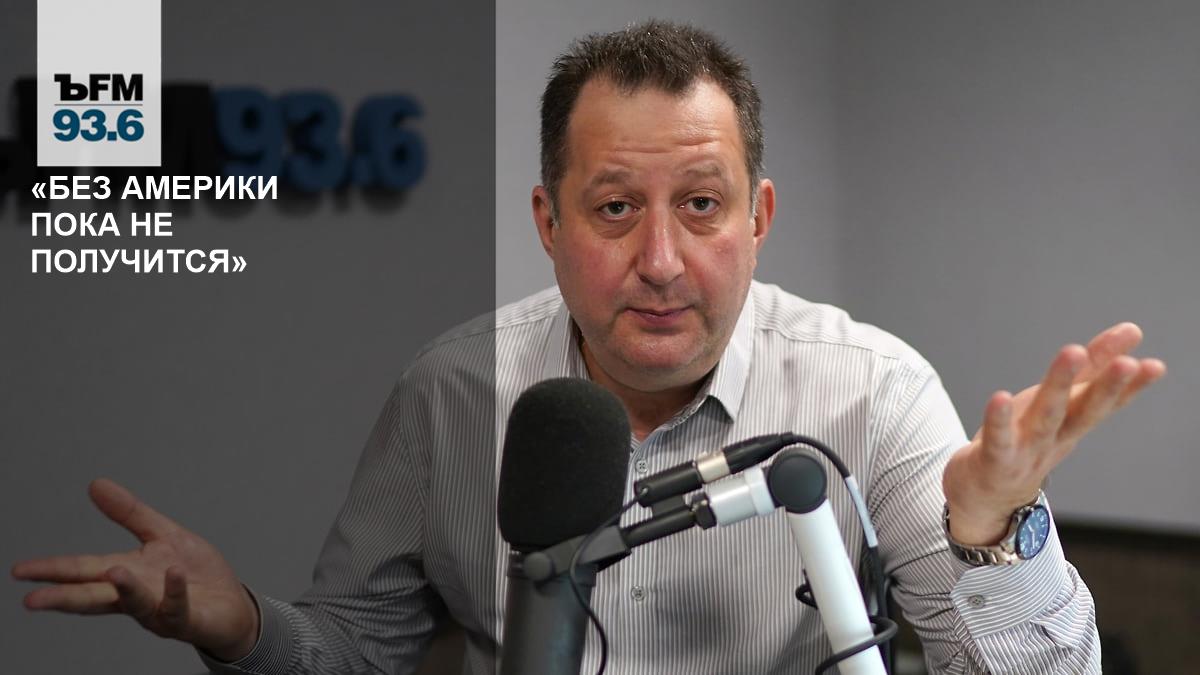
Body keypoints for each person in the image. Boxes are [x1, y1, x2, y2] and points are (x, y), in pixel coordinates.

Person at [12, 20, 1165, 674]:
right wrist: (245, 625)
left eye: (702, 207)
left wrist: (994, 534)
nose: (661, 260)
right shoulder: (456, 391)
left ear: (759, 218)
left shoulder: (874, 392)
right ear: (548, 222)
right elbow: (361, 651)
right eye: (614, 209)